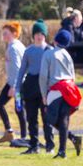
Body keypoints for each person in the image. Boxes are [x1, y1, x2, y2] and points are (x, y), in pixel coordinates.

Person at [39, 29, 83, 159]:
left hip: (56, 89)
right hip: (69, 89)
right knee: (63, 120)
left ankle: (70, 140)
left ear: (56, 40)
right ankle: (63, 149)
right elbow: (73, 75)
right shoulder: (67, 55)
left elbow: (43, 76)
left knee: (49, 120)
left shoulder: (49, 54)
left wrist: (43, 94)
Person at [14, 19, 55, 154]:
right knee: (32, 117)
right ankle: (33, 145)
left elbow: (53, 71)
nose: (39, 36)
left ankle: (50, 145)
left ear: (45, 35)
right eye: (36, 33)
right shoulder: (29, 51)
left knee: (47, 117)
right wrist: (17, 88)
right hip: (31, 85)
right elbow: (22, 71)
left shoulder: (50, 50)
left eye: (41, 33)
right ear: (33, 35)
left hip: (45, 86)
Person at [0, 22, 27, 144]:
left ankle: (24, 137)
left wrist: (14, 87)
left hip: (17, 84)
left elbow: (18, 68)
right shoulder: (15, 45)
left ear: (14, 34)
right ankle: (9, 132)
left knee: (19, 109)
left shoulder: (14, 48)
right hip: (12, 82)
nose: (3, 36)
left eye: (6, 33)